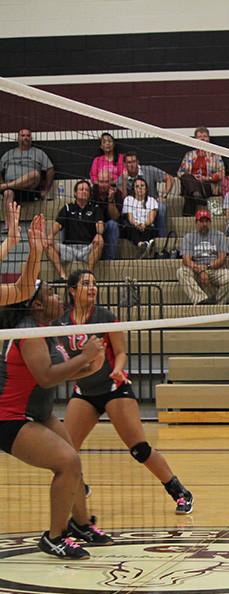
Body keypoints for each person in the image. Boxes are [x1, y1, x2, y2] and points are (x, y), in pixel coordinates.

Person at [57, 270, 194, 516]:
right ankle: (80, 486)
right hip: (84, 393)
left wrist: (117, 371)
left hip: (114, 390)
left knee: (139, 449)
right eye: (86, 284)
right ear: (72, 290)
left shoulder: (105, 317)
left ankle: (180, 492)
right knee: (66, 451)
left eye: (95, 283)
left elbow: (120, 352)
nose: (92, 288)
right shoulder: (61, 323)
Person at [0, 279, 106, 559]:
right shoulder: (29, 333)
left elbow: (58, 373)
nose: (58, 297)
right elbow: (45, 377)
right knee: (67, 462)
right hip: (9, 417)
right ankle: (54, 537)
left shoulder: (49, 330)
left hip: (39, 412)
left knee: (73, 461)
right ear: (36, 305)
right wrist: (84, 355)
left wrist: (87, 366)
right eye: (51, 293)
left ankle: (81, 525)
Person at [46, 180, 104, 282]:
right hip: (69, 249)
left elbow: (100, 225)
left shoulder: (95, 208)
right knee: (47, 243)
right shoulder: (68, 208)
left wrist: (99, 233)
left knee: (100, 240)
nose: (84, 191)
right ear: (75, 193)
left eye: (86, 190)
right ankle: (63, 276)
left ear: (90, 194)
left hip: (87, 248)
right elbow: (57, 225)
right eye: (81, 189)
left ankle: (88, 275)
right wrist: (50, 235)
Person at [177, 209, 229, 305]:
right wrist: (200, 270)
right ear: (196, 222)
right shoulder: (189, 237)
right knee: (181, 272)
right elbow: (186, 260)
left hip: (215, 269)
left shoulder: (219, 235)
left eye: (206, 221)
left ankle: (215, 304)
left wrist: (207, 267)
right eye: (201, 221)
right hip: (195, 269)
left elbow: (222, 258)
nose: (204, 224)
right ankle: (202, 301)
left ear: (210, 222)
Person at [117, 152, 172, 237]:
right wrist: (124, 181)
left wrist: (163, 196)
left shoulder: (149, 170)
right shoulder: (121, 179)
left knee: (161, 207)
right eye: (129, 162)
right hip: (134, 209)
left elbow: (169, 178)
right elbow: (123, 198)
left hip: (152, 205)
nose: (132, 165)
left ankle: (162, 239)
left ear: (138, 162)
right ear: (124, 164)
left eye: (134, 161)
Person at [177, 126, 225, 217]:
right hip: (191, 182)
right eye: (200, 136)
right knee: (187, 178)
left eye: (205, 136)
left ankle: (188, 214)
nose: (202, 138)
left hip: (207, 185)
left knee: (189, 193)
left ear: (209, 139)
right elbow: (180, 173)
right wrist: (194, 178)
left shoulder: (216, 155)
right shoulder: (189, 155)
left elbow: (221, 173)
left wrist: (206, 178)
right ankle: (196, 193)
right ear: (195, 139)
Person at [0, 128, 54, 203]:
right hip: (12, 189)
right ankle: (9, 215)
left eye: (28, 136)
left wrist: (46, 190)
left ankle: (6, 186)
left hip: (30, 188)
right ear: (18, 138)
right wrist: (2, 182)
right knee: (7, 193)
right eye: (23, 135)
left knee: (35, 174)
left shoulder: (39, 153)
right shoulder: (8, 154)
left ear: (31, 138)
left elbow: (50, 169)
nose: (26, 138)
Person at [121, 176, 158, 258]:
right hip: (133, 225)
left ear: (146, 188)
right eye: (137, 186)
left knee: (151, 228)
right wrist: (136, 224)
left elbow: (151, 219)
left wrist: (144, 224)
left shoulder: (152, 201)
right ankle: (142, 245)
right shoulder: (128, 199)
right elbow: (130, 218)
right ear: (133, 189)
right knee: (130, 228)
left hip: (147, 225)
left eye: (142, 186)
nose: (140, 188)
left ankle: (145, 247)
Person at [91, 169, 124, 260]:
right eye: (101, 182)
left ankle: (110, 260)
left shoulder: (117, 194)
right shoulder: (91, 192)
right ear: (97, 181)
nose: (104, 185)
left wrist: (110, 200)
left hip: (109, 226)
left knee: (113, 225)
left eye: (106, 182)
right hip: (93, 224)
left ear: (110, 182)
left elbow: (115, 217)